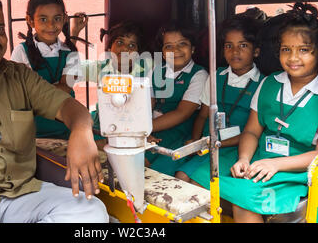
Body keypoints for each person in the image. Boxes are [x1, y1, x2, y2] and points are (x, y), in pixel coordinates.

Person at [0, 0, 108, 223]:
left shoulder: (19, 76)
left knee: (91, 210)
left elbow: (69, 102)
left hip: (20, 194)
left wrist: (82, 131)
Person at [194, 2, 318, 223]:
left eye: (304, 50)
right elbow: (252, 132)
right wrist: (244, 158)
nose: (293, 58)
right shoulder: (269, 84)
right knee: (197, 185)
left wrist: (275, 165)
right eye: (286, 49)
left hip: (296, 172)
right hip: (260, 162)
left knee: (244, 201)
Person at [176, 16, 264, 183]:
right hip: (209, 144)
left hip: (235, 149)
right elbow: (202, 116)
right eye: (228, 46)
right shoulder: (216, 76)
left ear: (256, 51)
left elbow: (252, 132)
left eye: (243, 45)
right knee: (180, 177)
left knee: (198, 184)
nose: (235, 52)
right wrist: (195, 141)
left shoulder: (262, 83)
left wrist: (215, 144)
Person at [10, 0, 89, 139]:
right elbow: (20, 95)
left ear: (65, 18)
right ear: (30, 20)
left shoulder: (70, 52)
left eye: (57, 18)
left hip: (65, 127)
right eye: (43, 19)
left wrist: (35, 96)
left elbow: (66, 87)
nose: (51, 25)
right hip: (32, 131)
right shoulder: (21, 52)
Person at [145, 22, 208, 176]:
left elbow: (182, 113)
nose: (176, 50)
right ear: (163, 52)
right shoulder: (155, 70)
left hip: (180, 132)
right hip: (153, 129)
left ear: (192, 48)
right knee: (135, 162)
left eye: (182, 44)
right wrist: (143, 133)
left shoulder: (199, 75)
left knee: (155, 174)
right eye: (169, 46)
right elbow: (147, 103)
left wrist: (144, 128)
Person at [80, 21, 152, 149]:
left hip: (134, 126)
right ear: (109, 48)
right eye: (119, 43)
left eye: (132, 45)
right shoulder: (100, 68)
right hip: (101, 126)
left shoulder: (146, 69)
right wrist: (74, 33)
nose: (125, 49)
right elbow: (71, 68)